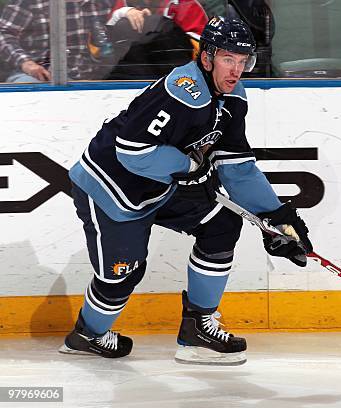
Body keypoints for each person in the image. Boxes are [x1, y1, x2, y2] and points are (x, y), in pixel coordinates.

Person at [59, 15, 313, 365]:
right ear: (206, 57)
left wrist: (275, 216)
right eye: (228, 59)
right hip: (113, 189)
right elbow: (133, 150)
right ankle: (87, 335)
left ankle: (197, 328)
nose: (236, 70)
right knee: (124, 274)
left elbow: (236, 165)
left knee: (222, 225)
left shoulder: (233, 95)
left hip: (162, 185)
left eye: (243, 61)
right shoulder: (182, 92)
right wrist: (187, 168)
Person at [0, 0, 112, 82]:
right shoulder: (28, 2)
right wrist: (26, 63)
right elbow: (4, 33)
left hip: (91, 80)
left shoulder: (105, 3)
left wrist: (126, 11)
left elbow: (118, 30)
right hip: (38, 77)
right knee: (28, 92)